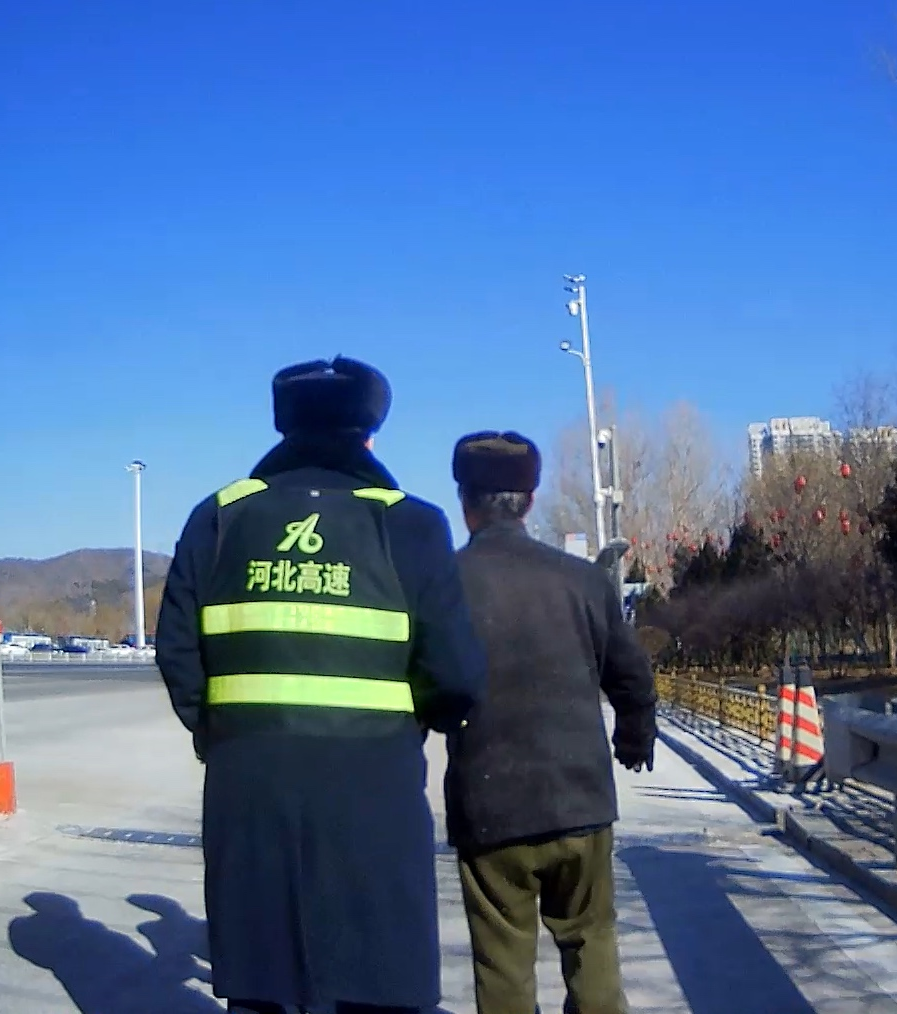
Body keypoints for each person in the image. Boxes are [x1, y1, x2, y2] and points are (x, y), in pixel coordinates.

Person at [154, 356, 487, 1014]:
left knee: (264, 980)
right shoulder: (411, 524)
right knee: (375, 979)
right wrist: (417, 720)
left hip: (248, 787)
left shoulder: (219, 518)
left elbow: (177, 651)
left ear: (283, 427)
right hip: (375, 790)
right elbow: (456, 675)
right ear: (368, 435)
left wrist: (221, 730)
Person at [444, 430, 658, 1014]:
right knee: (592, 944)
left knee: (502, 965)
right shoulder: (582, 580)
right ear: (530, 501)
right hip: (579, 801)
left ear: (464, 500)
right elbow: (632, 676)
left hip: (489, 809)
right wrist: (634, 738)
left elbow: (427, 687)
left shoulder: (443, 584)